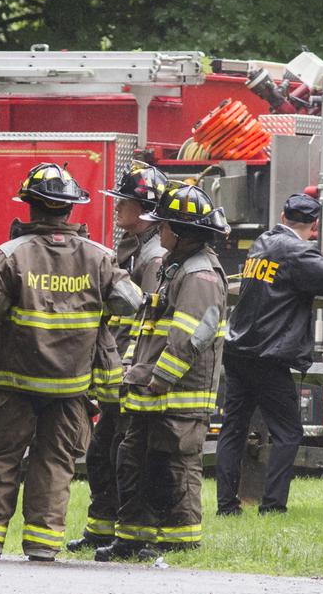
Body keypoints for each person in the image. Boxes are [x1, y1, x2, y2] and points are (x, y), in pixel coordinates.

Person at [0, 163, 141, 562]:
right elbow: (131, 301)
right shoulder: (100, 257)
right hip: (71, 387)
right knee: (55, 463)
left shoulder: (9, 255)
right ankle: (42, 545)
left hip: (14, 382)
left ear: (31, 207)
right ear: (70, 209)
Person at [95, 184, 227, 561]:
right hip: (149, 389)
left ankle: (179, 541)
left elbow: (191, 335)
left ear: (181, 231)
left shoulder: (199, 274)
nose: (159, 231)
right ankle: (132, 539)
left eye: (164, 225)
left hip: (176, 394)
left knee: (175, 465)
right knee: (136, 460)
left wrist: (161, 378)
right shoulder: (176, 267)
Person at [214, 192, 323, 516]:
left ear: (283, 217)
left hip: (238, 349)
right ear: (314, 226)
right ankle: (272, 506)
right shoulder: (298, 252)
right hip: (268, 355)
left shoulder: (262, 243)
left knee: (233, 430)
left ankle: (227, 506)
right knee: (288, 432)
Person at [67, 162, 170, 552]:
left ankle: (122, 529)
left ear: (144, 209)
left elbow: (144, 317)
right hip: (114, 364)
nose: (116, 208)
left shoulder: (154, 258)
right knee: (101, 451)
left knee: (118, 452)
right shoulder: (131, 247)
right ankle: (100, 528)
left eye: (123, 202)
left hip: (128, 367)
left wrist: (128, 367)